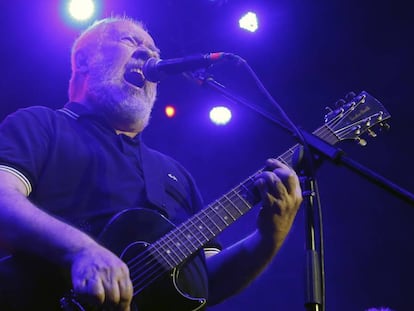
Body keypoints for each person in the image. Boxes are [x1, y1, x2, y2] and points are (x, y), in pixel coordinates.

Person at [0, 16, 303, 310]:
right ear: (83, 62)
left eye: (154, 51)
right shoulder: (41, 124)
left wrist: (268, 238)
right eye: (129, 40)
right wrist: (82, 250)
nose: (148, 53)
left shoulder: (174, 174)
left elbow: (204, 283)